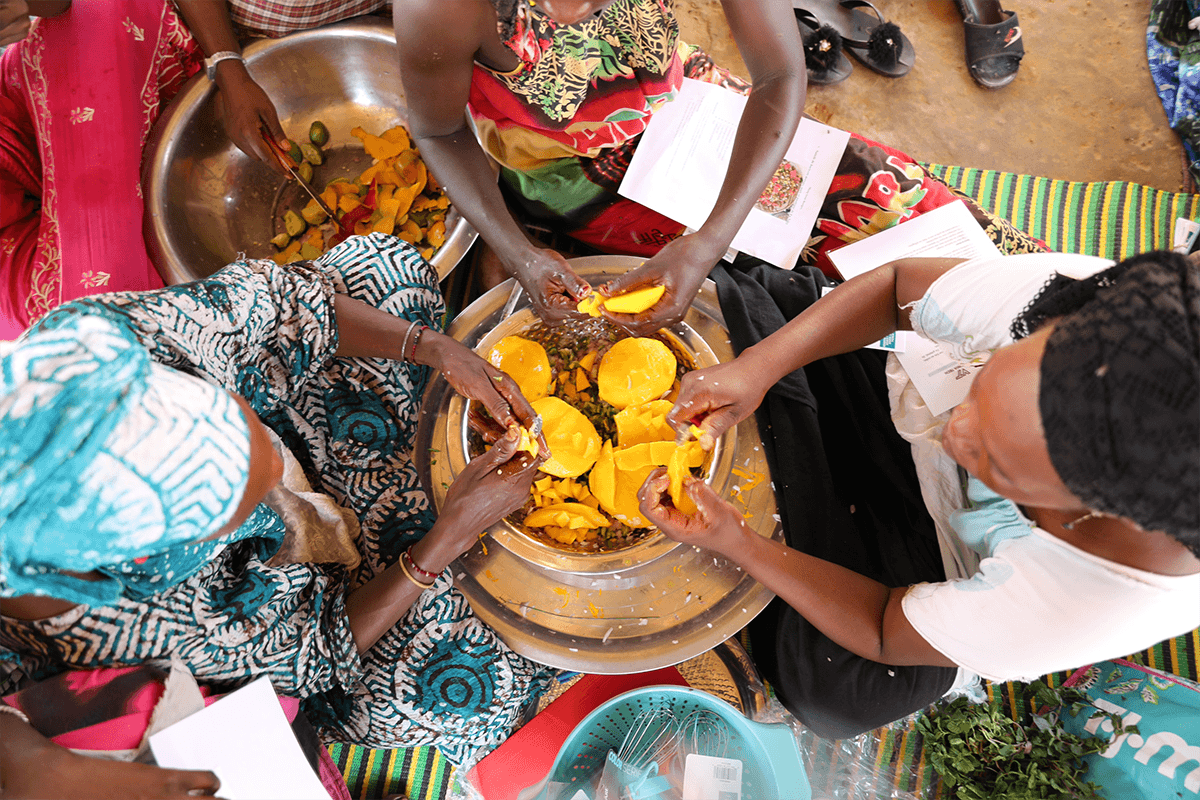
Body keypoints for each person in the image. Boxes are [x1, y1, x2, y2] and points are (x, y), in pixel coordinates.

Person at [0, 234, 555, 796]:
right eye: (244, 494)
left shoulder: (86, 353)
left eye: (234, 418)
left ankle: (375, 452)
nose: (272, 469)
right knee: (464, 686)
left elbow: (283, 307)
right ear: (158, 559)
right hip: (310, 618)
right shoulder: (123, 634)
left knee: (387, 271)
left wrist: (435, 350)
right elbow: (317, 650)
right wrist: (443, 539)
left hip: (302, 431)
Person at [637, 250, 1200, 738]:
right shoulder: (1102, 316)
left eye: (995, 460)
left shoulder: (1097, 601)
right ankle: (804, 448)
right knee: (776, 313)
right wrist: (758, 370)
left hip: (947, 558)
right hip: (903, 417)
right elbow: (894, 289)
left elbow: (884, 627)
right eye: (984, 388)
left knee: (841, 690)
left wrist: (738, 540)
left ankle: (802, 461)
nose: (958, 431)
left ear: (1088, 510)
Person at [395, 0, 1044, 335]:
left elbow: (782, 71)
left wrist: (708, 237)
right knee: (780, 307)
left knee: (901, 207)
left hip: (690, 108)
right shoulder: (447, 8)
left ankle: (1063, 297)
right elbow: (439, 125)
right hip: (578, 180)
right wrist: (520, 252)